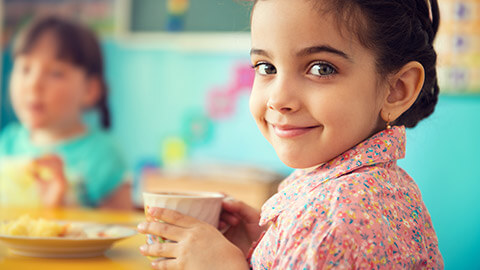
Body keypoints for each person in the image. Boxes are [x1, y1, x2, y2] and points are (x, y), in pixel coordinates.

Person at [137, 0, 444, 268]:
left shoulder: (331, 222)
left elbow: (331, 243)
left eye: (321, 68)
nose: (278, 99)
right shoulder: (364, 191)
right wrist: (267, 248)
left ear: (396, 90)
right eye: (266, 67)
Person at [0, 16, 131, 209]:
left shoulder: (103, 154)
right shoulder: (8, 142)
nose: (33, 84)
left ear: (89, 90)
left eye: (55, 73)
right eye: (25, 69)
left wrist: (63, 205)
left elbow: (122, 231)